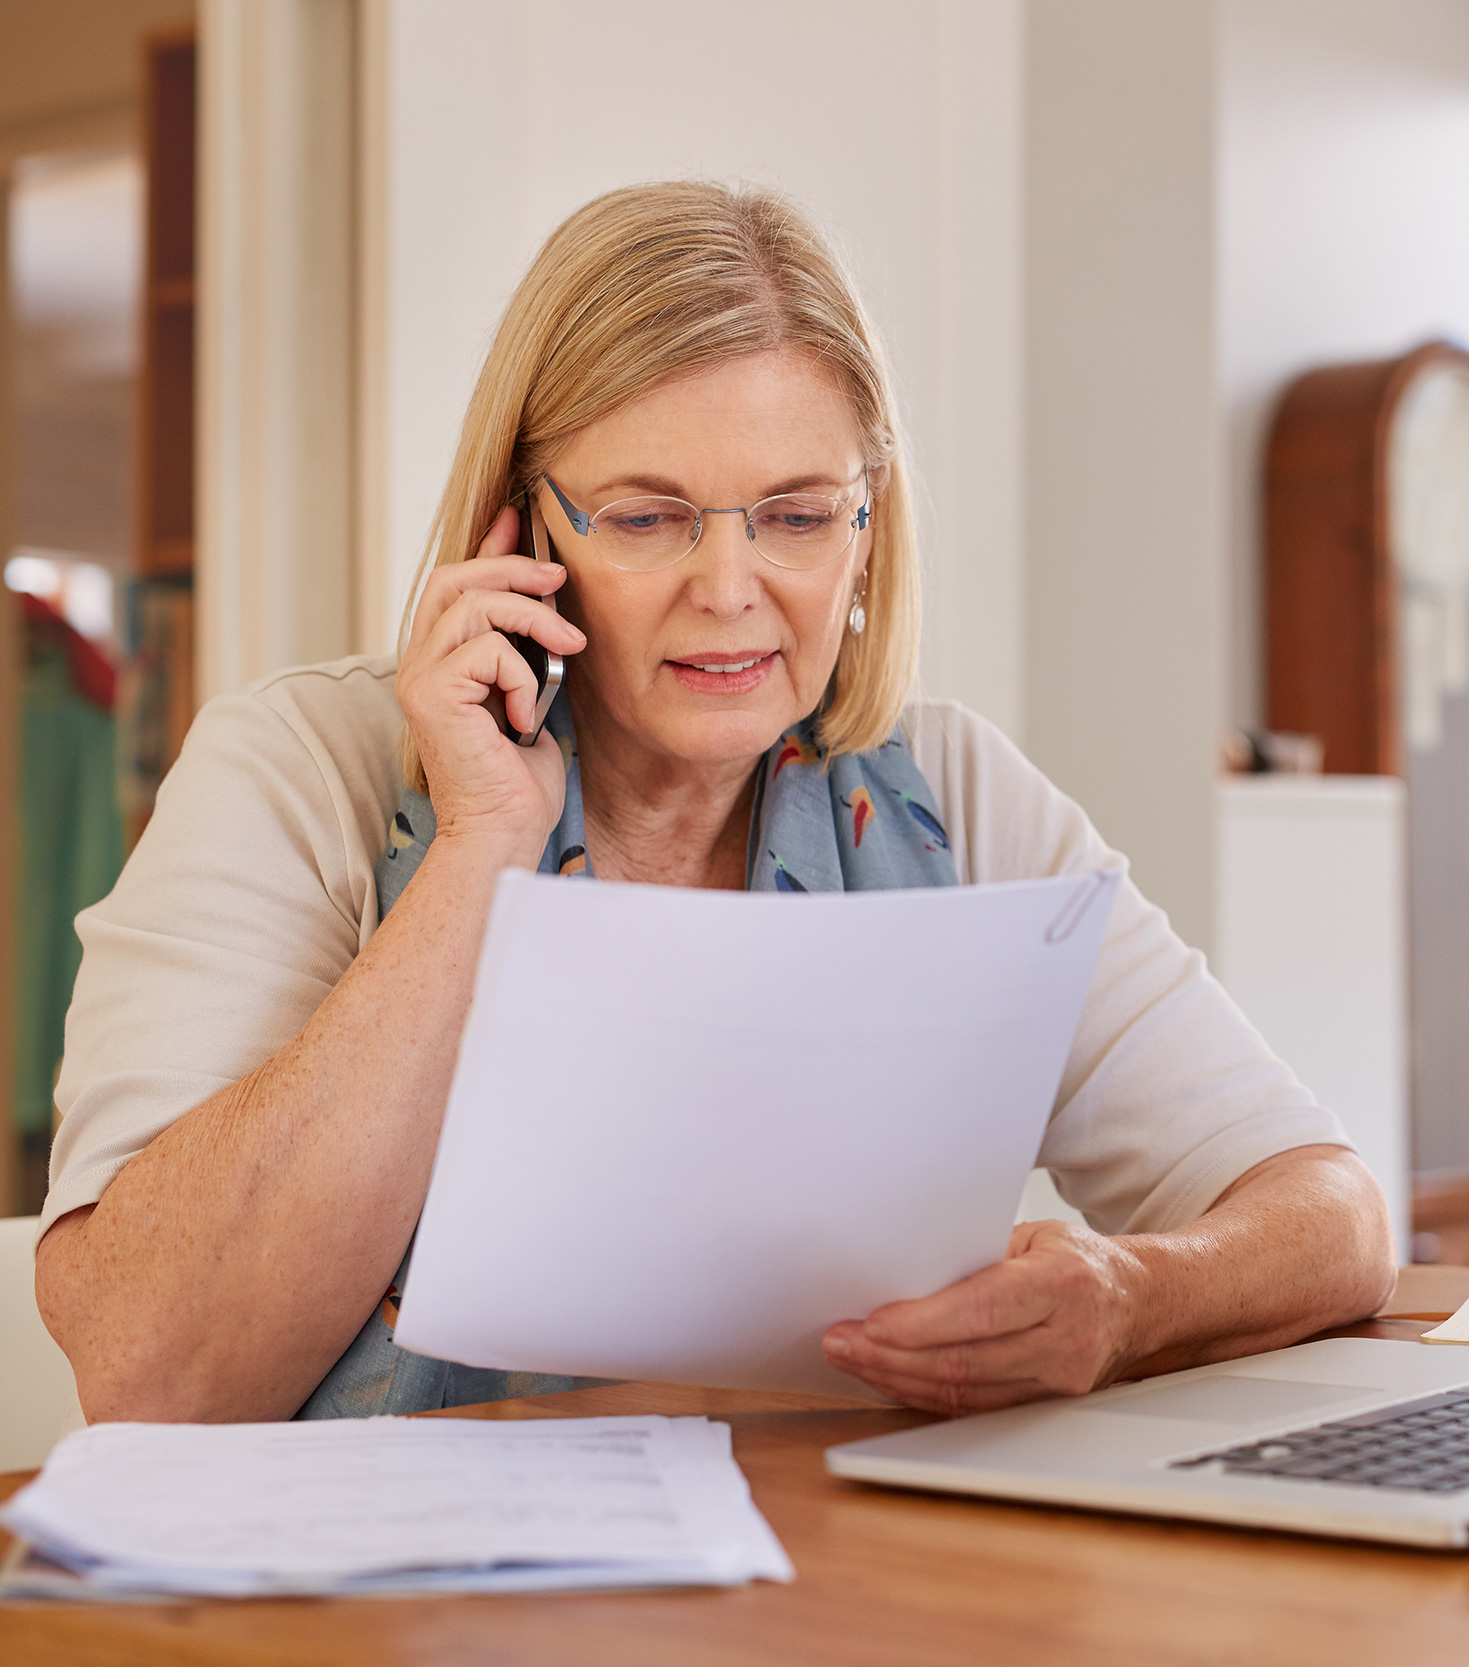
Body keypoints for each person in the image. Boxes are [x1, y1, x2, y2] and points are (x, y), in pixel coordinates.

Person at [34, 182, 1395, 1423]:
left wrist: (1130, 1299)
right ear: (524, 528)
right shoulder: (299, 771)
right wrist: (477, 854)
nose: (733, 589)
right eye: (645, 517)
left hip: (842, 1591)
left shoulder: (956, 795)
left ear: (872, 530)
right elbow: (155, 1372)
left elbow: (1333, 1219)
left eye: (798, 516)